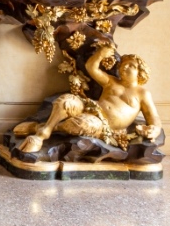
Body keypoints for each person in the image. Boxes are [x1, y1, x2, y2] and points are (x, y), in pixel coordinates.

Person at [14, 44, 161, 153]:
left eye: (131, 66)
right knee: (66, 101)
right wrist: (100, 54)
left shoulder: (143, 93)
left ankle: (39, 129)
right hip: (90, 107)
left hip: (103, 125)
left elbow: (153, 117)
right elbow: (91, 67)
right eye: (123, 64)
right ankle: (43, 132)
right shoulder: (111, 81)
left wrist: (154, 130)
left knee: (82, 125)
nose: (124, 67)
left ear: (141, 72)